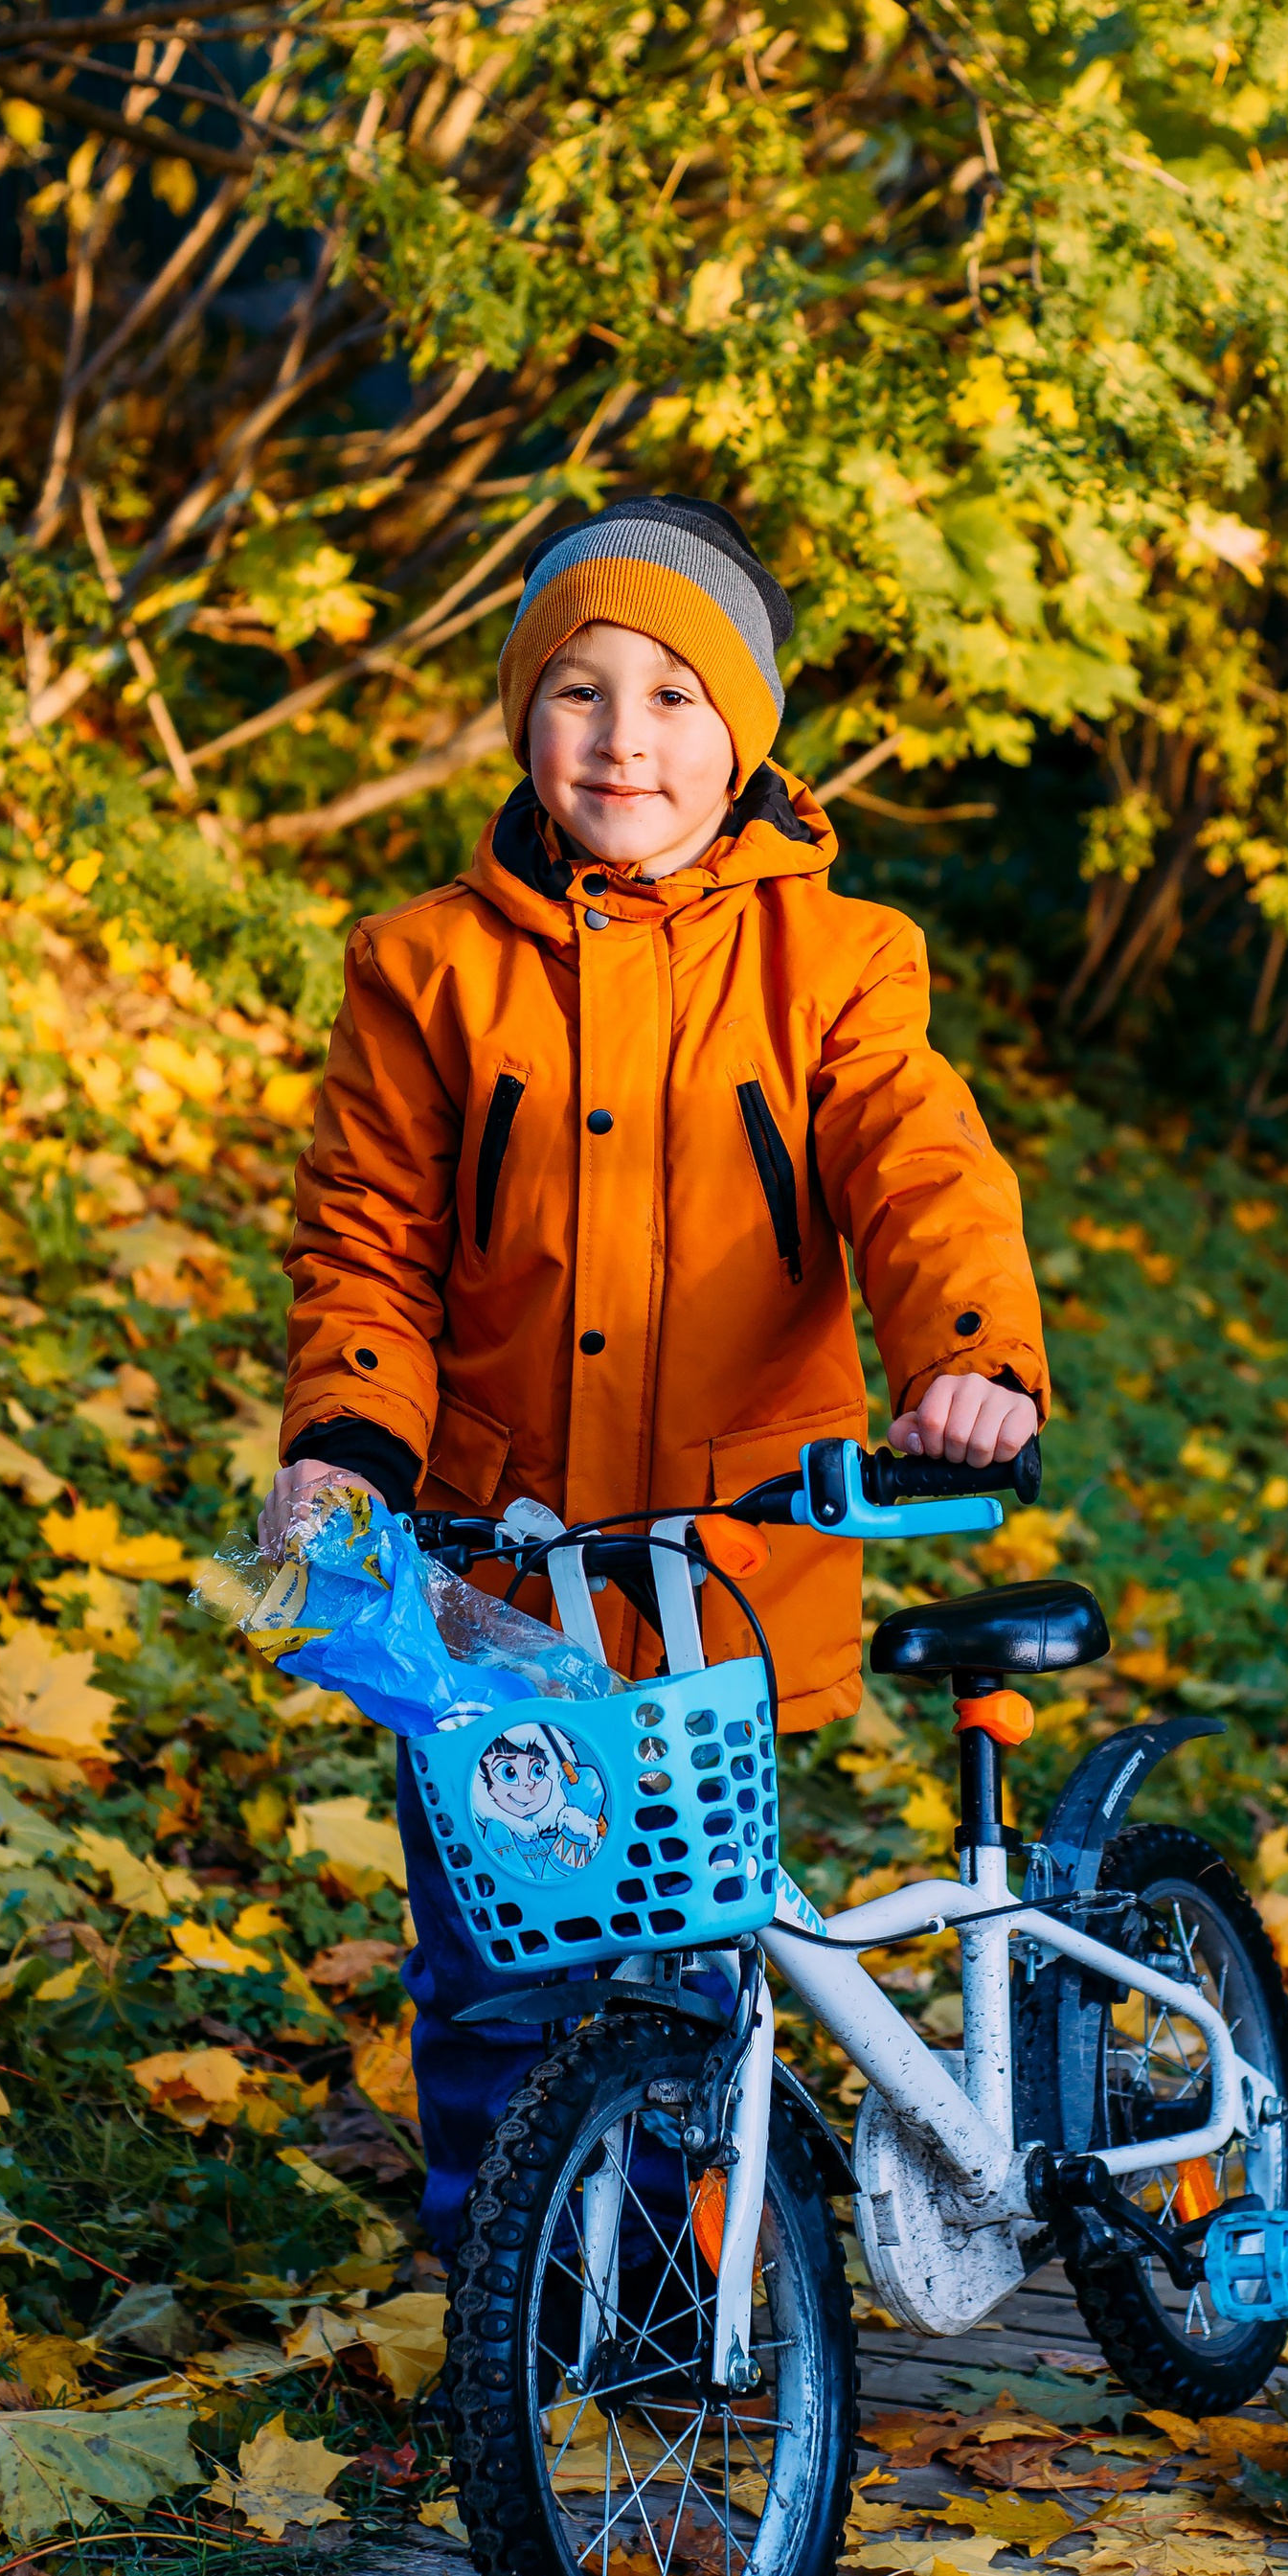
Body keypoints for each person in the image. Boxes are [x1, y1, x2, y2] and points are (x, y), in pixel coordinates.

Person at [261, 493, 1047, 2245]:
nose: (625, 739)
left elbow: (918, 1172)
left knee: (689, 1970)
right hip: (492, 1570)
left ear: (743, 734)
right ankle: (515, 2312)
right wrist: (350, 1440)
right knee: (495, 1972)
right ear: (523, 719)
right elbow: (368, 1233)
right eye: (580, 690)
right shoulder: (426, 969)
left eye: (676, 697)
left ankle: (684, 2295)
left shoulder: (836, 965)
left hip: (725, 1564)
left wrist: (969, 1360)